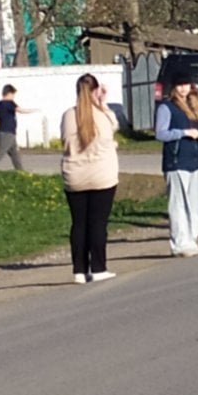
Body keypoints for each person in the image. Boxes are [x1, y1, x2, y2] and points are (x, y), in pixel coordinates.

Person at [60, 72, 120, 283]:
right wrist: (103, 104)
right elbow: (114, 126)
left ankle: (79, 270)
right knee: (97, 223)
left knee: (79, 223)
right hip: (102, 175)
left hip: (74, 175)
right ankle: (98, 268)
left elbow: (65, 140)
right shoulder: (102, 115)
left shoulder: (68, 115)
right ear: (96, 91)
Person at [154, 60, 198, 256]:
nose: (183, 89)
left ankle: (191, 239)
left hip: (195, 160)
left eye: (186, 84)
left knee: (196, 204)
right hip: (176, 161)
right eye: (179, 85)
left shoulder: (195, 106)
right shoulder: (167, 107)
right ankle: (180, 243)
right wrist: (184, 133)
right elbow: (160, 133)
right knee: (178, 204)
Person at [0, 83, 30, 170]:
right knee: (0, 152)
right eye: (13, 95)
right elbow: (20, 110)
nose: (13, 97)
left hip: (6, 131)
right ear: (9, 93)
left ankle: (20, 170)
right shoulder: (10, 103)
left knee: (15, 153)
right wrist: (32, 110)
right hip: (8, 132)